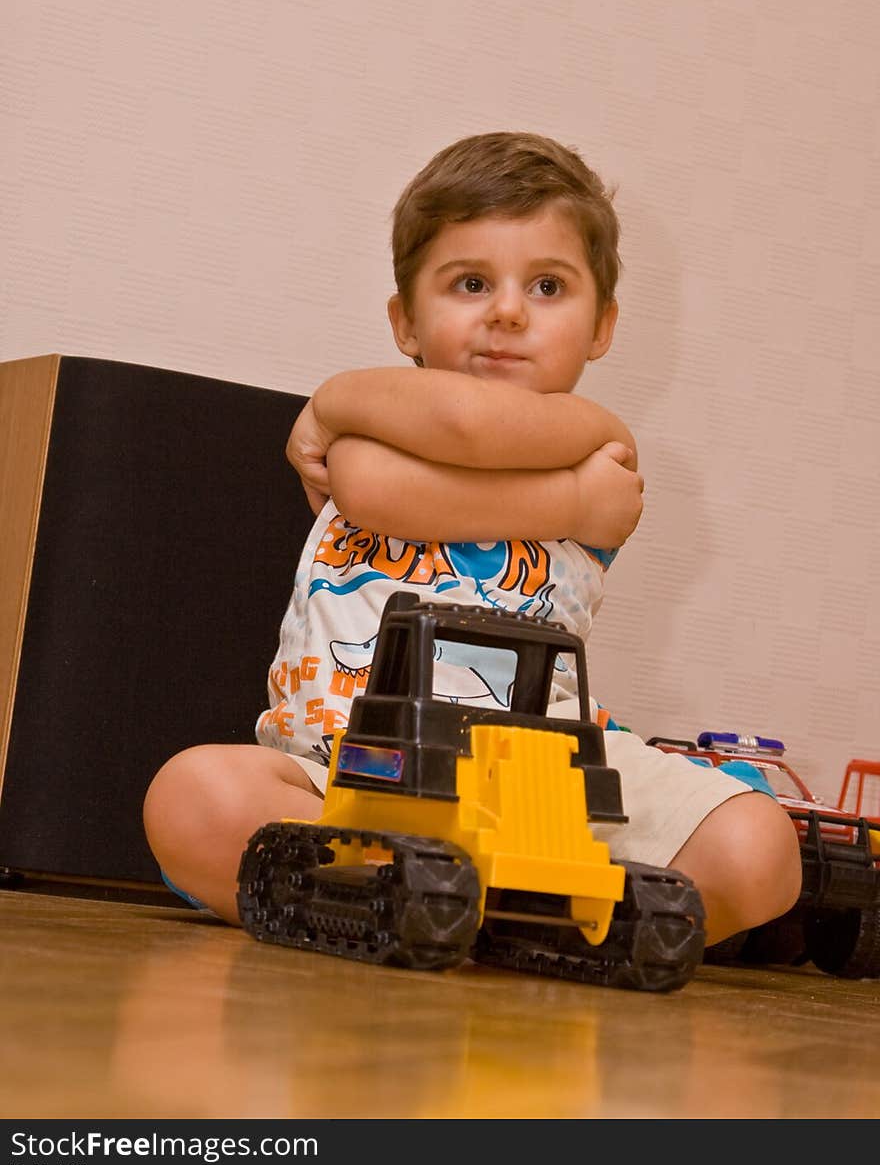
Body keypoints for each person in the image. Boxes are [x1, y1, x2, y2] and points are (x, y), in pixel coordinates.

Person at [143, 131, 802, 943]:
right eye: (470, 282)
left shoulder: (598, 439)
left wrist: (331, 400)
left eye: (549, 286)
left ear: (603, 327)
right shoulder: (386, 435)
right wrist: (565, 502)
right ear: (404, 321)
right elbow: (381, 482)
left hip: (547, 782)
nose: (508, 312)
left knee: (759, 847)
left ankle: (491, 910)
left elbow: (465, 424)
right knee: (191, 794)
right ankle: (466, 906)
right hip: (348, 776)